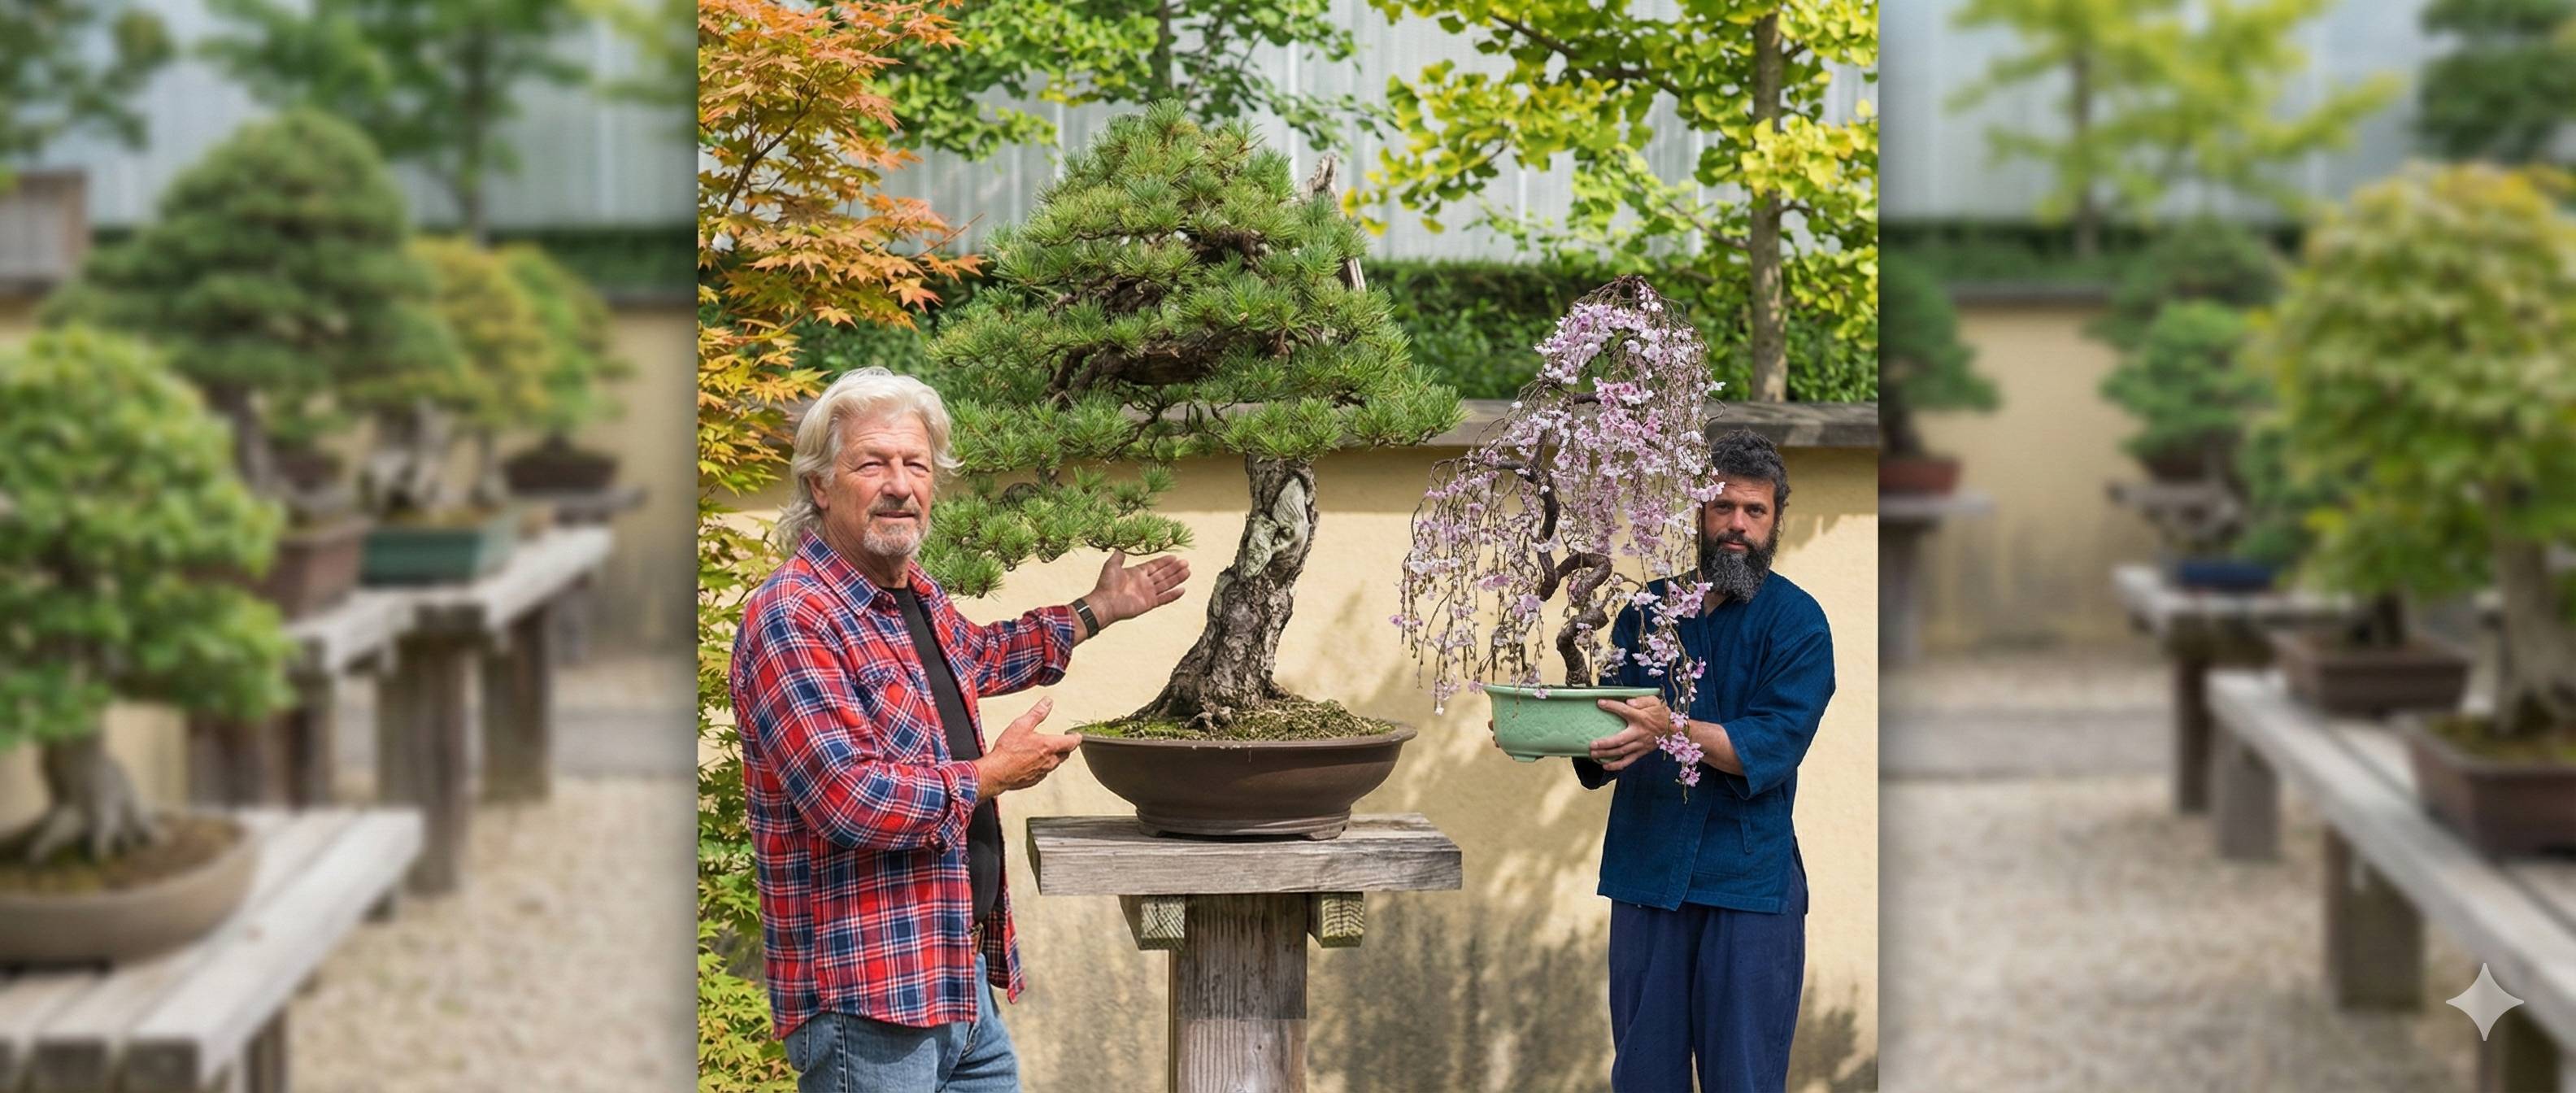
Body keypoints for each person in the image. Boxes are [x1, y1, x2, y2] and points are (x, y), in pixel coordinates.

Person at [729, 367, 1190, 1092]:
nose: (899, 484)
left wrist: (1098, 610)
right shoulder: (795, 614)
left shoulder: (913, 594)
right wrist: (992, 774)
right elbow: (850, 799)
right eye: (872, 463)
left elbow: (980, 655)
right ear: (821, 485)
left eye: (915, 464)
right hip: (869, 998)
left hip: (956, 977)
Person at [1575, 428, 1835, 1092]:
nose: (1737, 525)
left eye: (1755, 511)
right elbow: (1609, 727)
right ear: (1698, 509)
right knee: (1643, 1074)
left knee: (1742, 1078)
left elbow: (1772, 742)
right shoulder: (1646, 610)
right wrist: (1544, 727)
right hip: (1648, 869)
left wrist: (1674, 727)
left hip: (1747, 882)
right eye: (1723, 507)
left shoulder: (1799, 623)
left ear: (1776, 520)